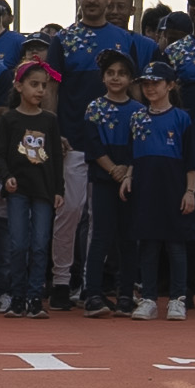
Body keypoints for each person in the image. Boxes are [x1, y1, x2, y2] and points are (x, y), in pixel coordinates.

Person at [122, 63, 195, 320]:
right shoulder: (137, 118)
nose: (150, 88)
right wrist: (128, 177)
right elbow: (132, 154)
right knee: (148, 245)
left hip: (173, 188)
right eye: (146, 83)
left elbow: (191, 159)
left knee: (176, 246)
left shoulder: (182, 118)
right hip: (145, 189)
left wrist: (190, 191)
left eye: (156, 83)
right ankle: (148, 298)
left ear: (170, 85)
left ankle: (178, 298)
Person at [0, 62, 66, 317]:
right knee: (18, 244)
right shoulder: (9, 119)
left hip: (44, 191)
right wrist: (7, 177)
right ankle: (17, 296)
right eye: (34, 84)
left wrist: (59, 189)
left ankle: (35, 298)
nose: (40, 91)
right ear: (19, 86)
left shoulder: (49, 120)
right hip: (18, 191)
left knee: (39, 244)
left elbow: (56, 156)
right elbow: (0, 155)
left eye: (44, 86)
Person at [77, 49, 140, 314]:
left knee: (128, 237)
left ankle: (126, 294)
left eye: (122, 74)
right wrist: (113, 168)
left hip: (130, 181)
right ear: (103, 78)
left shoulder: (138, 111)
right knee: (100, 235)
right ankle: (93, 294)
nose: (116, 78)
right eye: (111, 73)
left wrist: (127, 171)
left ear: (130, 79)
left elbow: (139, 146)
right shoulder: (94, 108)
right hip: (102, 179)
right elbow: (92, 145)